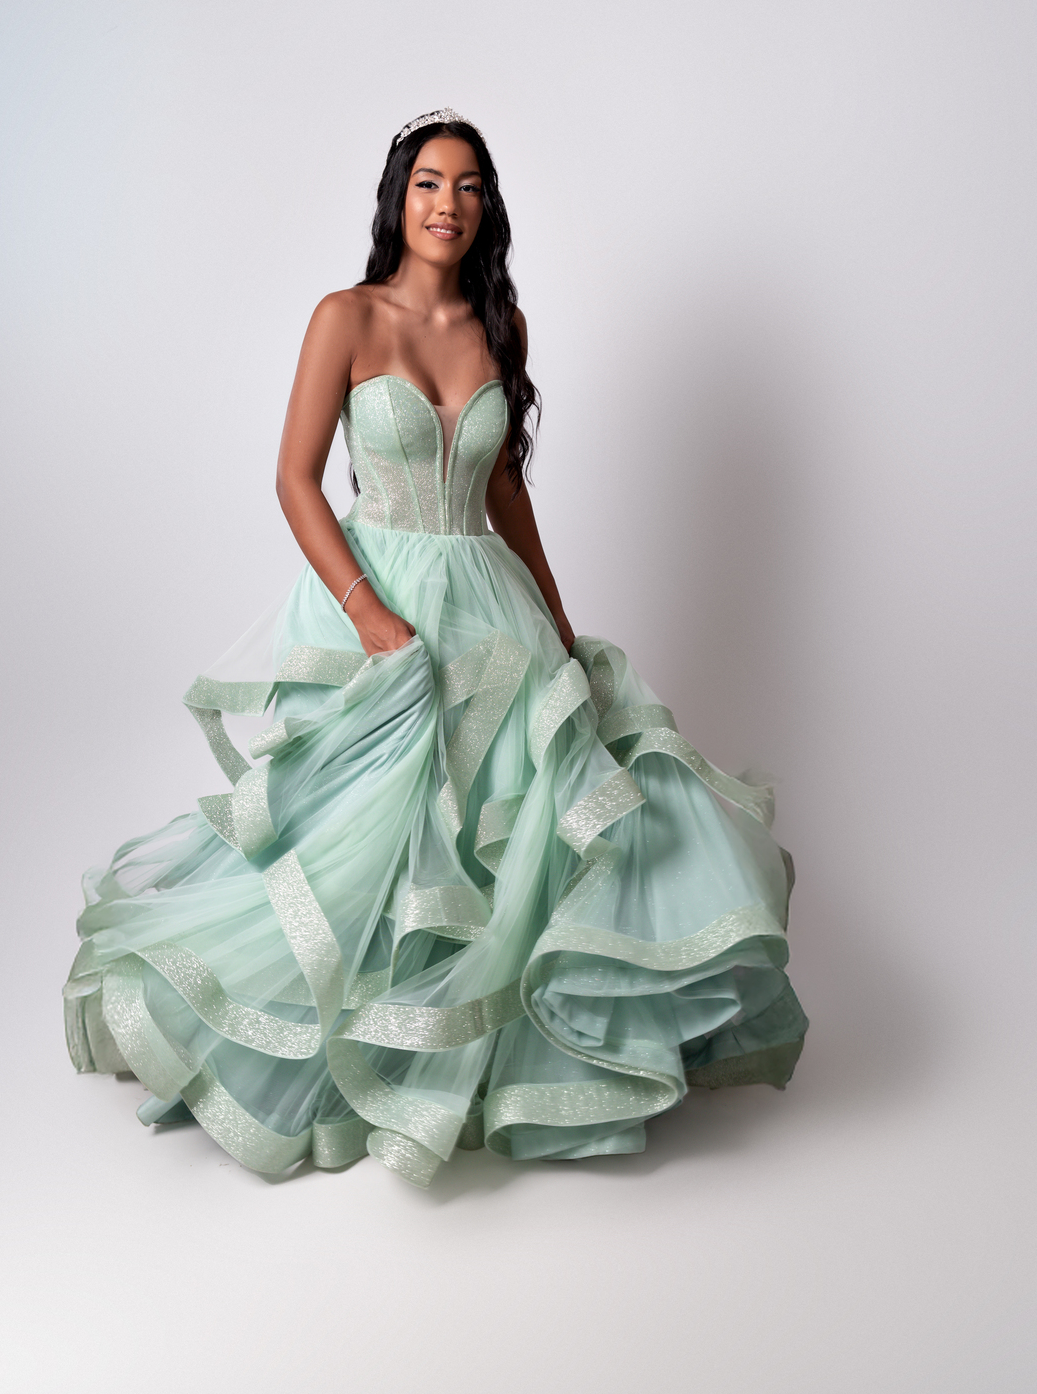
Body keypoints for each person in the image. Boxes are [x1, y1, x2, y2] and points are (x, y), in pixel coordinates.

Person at [63, 109, 807, 1188]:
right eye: (427, 182)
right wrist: (366, 611)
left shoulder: (500, 327)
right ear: (397, 199)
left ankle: (497, 1060)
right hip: (384, 598)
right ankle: (317, 1044)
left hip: (490, 604)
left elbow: (506, 492)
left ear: (485, 207)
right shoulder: (346, 316)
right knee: (365, 838)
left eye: (466, 186)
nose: (446, 203)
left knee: (521, 830)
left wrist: (558, 622)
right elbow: (294, 479)